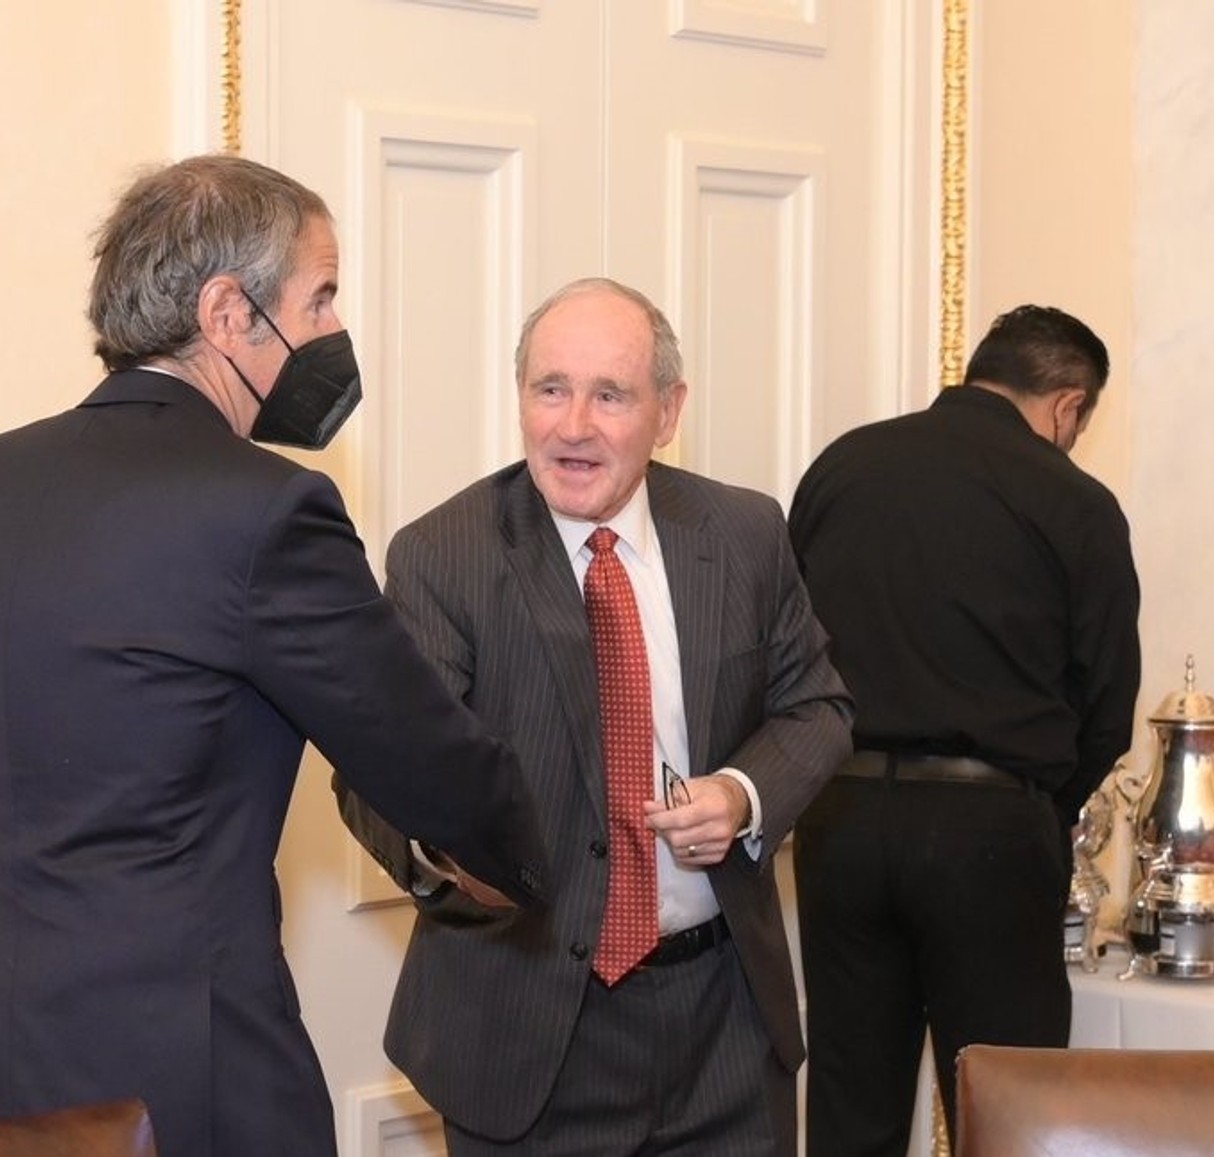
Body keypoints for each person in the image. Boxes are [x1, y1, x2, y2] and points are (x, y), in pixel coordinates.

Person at [0, 154, 547, 1157]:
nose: (334, 329)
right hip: (181, 1063)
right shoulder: (267, 509)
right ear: (229, 313)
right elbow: (429, 761)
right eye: (321, 297)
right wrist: (530, 866)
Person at [336, 277, 853, 1156]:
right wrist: (452, 858)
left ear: (668, 411)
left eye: (610, 395)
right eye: (551, 389)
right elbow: (376, 772)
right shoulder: (445, 555)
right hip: (526, 1031)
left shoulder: (743, 532)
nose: (573, 426)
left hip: (724, 1025)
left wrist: (741, 793)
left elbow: (817, 704)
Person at [786, 304, 1143, 1156]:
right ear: (1067, 404)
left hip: (839, 816)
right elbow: (1108, 702)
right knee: (1009, 1111)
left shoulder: (842, 465)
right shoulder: (1073, 499)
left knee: (849, 1106)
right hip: (989, 829)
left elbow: (785, 650)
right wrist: (1038, 805)